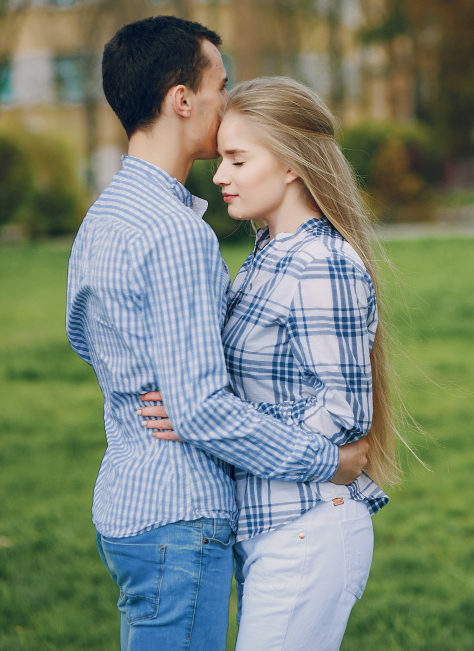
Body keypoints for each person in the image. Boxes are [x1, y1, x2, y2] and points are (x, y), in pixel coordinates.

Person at [65, 17, 368, 651]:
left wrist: (174, 397)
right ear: (182, 99)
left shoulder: (104, 215)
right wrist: (326, 460)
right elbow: (200, 407)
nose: (227, 103)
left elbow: (84, 337)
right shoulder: (177, 232)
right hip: (178, 509)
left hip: (130, 497)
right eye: (220, 85)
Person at [139, 76, 405, 650]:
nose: (218, 175)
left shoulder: (320, 264)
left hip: (308, 527)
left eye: (238, 159)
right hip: (270, 526)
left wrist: (202, 424)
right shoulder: (266, 255)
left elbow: (343, 419)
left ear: (290, 164)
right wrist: (199, 411)